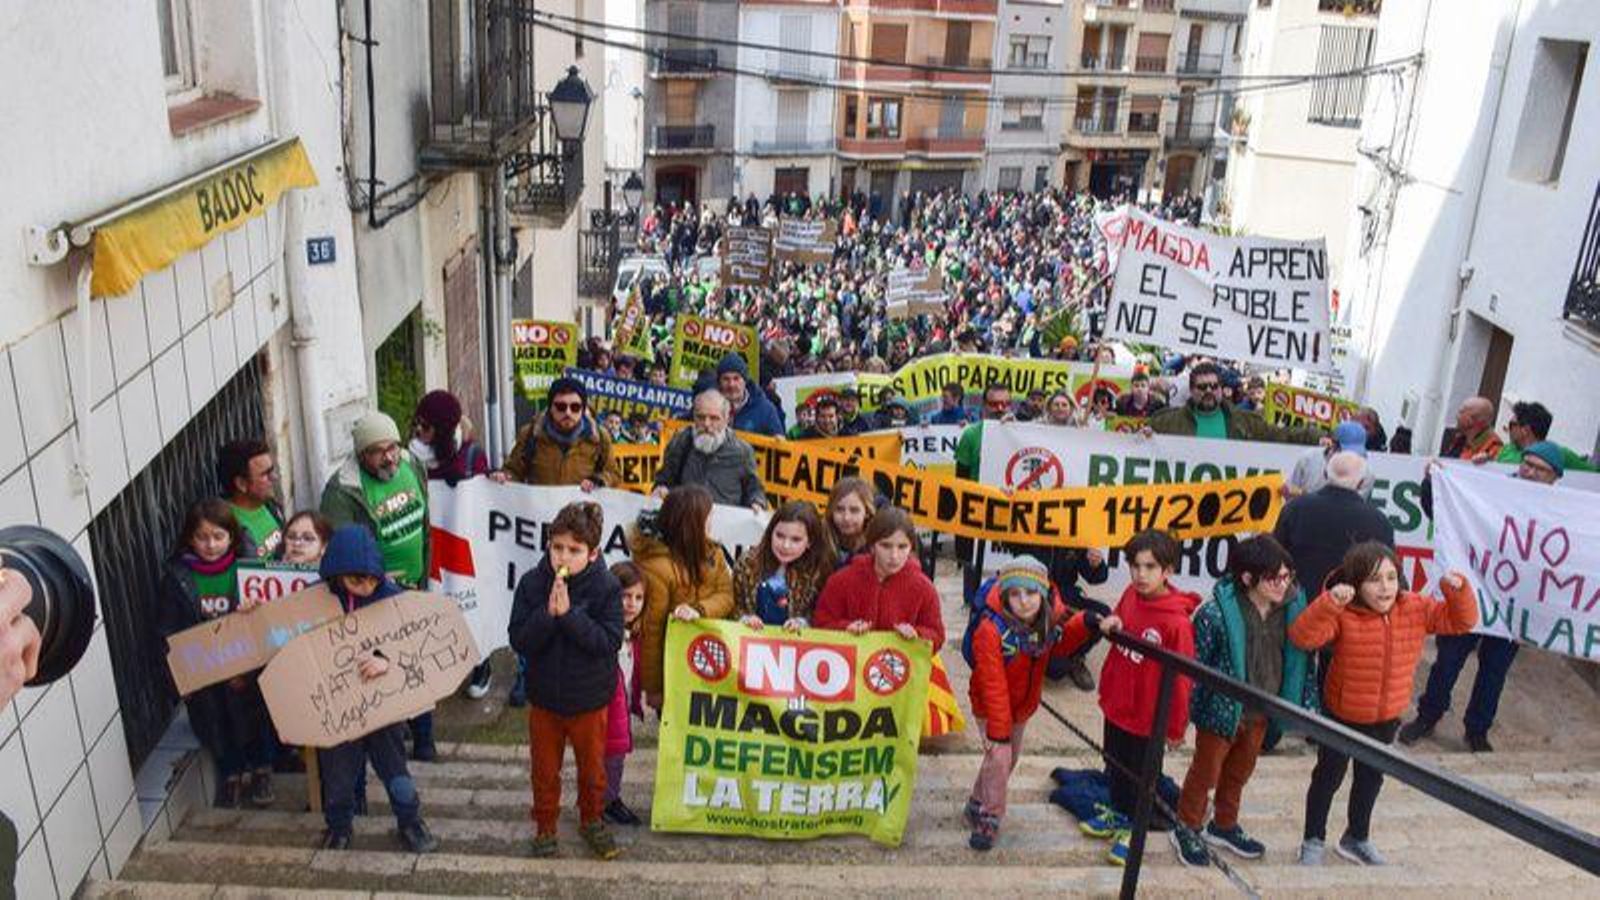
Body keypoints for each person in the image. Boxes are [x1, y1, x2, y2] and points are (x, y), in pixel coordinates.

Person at [1290, 542, 1477, 866]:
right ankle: (1313, 840)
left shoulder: (1415, 607)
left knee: (1371, 778)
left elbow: (1461, 622)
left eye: (1391, 577)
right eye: (1375, 580)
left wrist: (1456, 590)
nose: (1385, 587)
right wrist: (1329, 604)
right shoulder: (1343, 614)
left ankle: (1356, 838)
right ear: (1357, 583)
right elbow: (1302, 637)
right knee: (1327, 779)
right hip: (1342, 714)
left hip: (1387, 716)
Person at [1402, 441, 1567, 753]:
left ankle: (1477, 730)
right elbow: (1441, 509)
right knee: (1447, 662)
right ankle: (1427, 716)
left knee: (1494, 672)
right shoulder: (1491, 490)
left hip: (1512, 607)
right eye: (1526, 464)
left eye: (1539, 469)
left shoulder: (1560, 509)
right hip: (1472, 594)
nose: (1529, 472)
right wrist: (1431, 482)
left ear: (1554, 476)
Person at [1171, 536, 1319, 867]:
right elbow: (1194, 668)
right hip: (1220, 711)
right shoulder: (1214, 613)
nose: (1283, 584)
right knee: (1205, 772)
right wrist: (1182, 717)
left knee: (1240, 771)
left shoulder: (1294, 607)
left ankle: (1223, 824)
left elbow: (1304, 659)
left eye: (1287, 576)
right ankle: (1187, 825)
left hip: (1261, 712)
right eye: (1274, 577)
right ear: (1248, 578)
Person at [507, 502, 624, 860]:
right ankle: (545, 826)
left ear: (592, 554)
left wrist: (570, 617)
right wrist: (548, 616)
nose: (564, 556)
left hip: (589, 702)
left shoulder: (606, 587)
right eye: (557, 547)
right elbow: (519, 638)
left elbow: (609, 642)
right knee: (544, 771)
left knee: (592, 773)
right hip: (545, 701)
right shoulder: (531, 583)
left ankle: (592, 819)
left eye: (574, 550)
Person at [320, 410, 437, 761]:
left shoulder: (411, 464)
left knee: (419, 661)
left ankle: (424, 737)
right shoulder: (343, 491)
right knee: (384, 665)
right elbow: (343, 548)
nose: (389, 457)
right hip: (375, 596)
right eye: (378, 451)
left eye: (393, 447)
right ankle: (392, 739)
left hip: (415, 586)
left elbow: (426, 517)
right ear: (361, 454)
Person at [314, 526, 439, 853]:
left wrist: (387, 660)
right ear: (337, 575)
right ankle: (339, 826)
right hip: (340, 713)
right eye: (357, 581)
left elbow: (416, 643)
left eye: (372, 580)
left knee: (396, 772)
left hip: (384, 713)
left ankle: (411, 823)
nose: (366, 587)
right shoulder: (317, 602)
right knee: (338, 778)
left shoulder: (393, 598)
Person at [1080, 529, 1199, 868]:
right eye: (1135, 565)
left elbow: (1181, 681)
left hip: (1148, 718)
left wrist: (1175, 727)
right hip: (1117, 706)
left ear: (1168, 571)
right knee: (1114, 765)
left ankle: (1138, 826)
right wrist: (1115, 621)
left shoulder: (1176, 623)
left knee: (1143, 777)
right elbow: (1121, 618)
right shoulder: (1131, 595)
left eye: (1150, 567)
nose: (1141, 574)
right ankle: (1118, 813)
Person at [964, 556, 1096, 851]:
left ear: (1044, 593)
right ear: (1005, 595)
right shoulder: (990, 630)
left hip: (1022, 705)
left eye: (1031, 593)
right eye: (1015, 593)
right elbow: (992, 683)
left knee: (1007, 759)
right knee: (1000, 757)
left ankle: (976, 801)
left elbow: (1059, 645)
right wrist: (998, 732)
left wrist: (1085, 623)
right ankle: (990, 816)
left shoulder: (1044, 622)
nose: (1023, 601)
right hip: (989, 705)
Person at [156, 499, 274, 808]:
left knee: (254, 718)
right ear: (189, 539)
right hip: (205, 670)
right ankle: (231, 775)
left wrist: (245, 669)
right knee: (216, 723)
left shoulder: (248, 571)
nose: (210, 545)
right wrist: (184, 677)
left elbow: (266, 622)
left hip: (244, 664)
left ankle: (262, 770)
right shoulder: (178, 577)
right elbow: (169, 629)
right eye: (202, 537)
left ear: (232, 537)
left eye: (218, 537)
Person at [634, 486, 735, 711]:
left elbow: (726, 596)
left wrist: (700, 609)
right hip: (675, 668)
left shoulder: (713, 554)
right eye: (708, 519)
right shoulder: (657, 568)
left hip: (709, 661)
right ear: (692, 524)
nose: (711, 524)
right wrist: (654, 688)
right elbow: (652, 632)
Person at [813, 507, 945, 648]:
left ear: (911, 547)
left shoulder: (924, 588)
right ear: (872, 546)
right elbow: (820, 624)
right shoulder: (841, 581)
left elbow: (937, 635)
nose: (894, 555)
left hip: (899, 666)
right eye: (885, 546)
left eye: (902, 547)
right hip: (851, 665)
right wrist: (846, 628)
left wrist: (917, 634)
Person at [1273, 453, 1395, 605]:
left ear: (1325, 474)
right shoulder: (1380, 522)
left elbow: (1274, 559)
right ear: (1361, 483)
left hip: (1297, 608)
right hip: (1352, 613)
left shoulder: (1294, 509)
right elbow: (1390, 574)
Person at [1147, 363, 1320, 444]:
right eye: (1202, 387)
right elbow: (1138, 441)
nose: (1209, 391)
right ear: (1191, 390)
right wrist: (1142, 438)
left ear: (1221, 389)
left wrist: (1320, 437)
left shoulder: (1244, 421)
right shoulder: (1167, 422)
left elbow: (1283, 435)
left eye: (1214, 386)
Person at [497, 377, 621, 490]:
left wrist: (597, 481)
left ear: (583, 409)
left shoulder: (600, 438)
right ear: (551, 407)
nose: (568, 413)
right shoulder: (530, 434)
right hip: (539, 512)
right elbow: (513, 471)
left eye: (575, 407)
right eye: (561, 407)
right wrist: (503, 477)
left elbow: (613, 474)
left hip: (581, 512)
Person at [652, 390, 768, 511]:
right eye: (701, 417)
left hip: (726, 525)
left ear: (726, 419)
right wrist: (661, 490)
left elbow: (754, 488)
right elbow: (664, 479)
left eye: (714, 418)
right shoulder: (680, 442)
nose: (707, 424)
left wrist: (757, 502)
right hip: (686, 522)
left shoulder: (742, 451)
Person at [734, 502, 836, 631]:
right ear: (771, 532)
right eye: (780, 536)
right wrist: (745, 619)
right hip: (750, 643)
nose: (785, 545)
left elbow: (820, 614)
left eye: (796, 540)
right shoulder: (747, 564)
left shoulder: (818, 572)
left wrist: (803, 623)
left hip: (796, 646)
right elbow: (735, 607)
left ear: (810, 541)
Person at [603, 561, 646, 827]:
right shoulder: (608, 634)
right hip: (604, 711)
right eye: (625, 596)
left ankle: (610, 798)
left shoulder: (633, 634)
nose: (632, 604)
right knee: (607, 759)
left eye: (639, 597)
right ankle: (603, 804)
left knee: (615, 760)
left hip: (621, 708)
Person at [1043, 547, 1110, 691]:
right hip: (1034, 592)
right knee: (1055, 670)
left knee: (1102, 615)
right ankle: (1035, 657)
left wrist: (1096, 564)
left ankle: (1076, 657)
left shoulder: (1076, 533)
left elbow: (1095, 577)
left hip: (1068, 595)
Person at [217, 438, 285, 558]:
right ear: (241, 484)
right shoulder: (227, 529)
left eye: (272, 471)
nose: (274, 477)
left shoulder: (270, 506)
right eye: (265, 474)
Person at [410, 390, 489, 487]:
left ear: (441, 431)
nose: (418, 429)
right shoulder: (409, 458)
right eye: (416, 422)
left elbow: (483, 492)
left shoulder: (471, 456)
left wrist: (494, 476)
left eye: (425, 426)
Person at [1492, 400, 1594, 472]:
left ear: (1525, 430)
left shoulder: (1559, 454)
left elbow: (1593, 477)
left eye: (1511, 425)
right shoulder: (1507, 449)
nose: (1506, 427)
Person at [1285, 422, 1375, 499]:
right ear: (1333, 444)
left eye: (1356, 452)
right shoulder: (1308, 458)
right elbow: (1292, 489)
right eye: (1347, 451)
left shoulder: (1366, 474)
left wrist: (1304, 494)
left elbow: (1351, 506)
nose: (1351, 456)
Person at [716, 352, 785, 437]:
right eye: (726, 379)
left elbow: (780, 445)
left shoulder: (766, 410)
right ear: (719, 382)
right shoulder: (707, 406)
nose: (731, 384)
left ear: (745, 381)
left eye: (736, 378)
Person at [825, 477, 877, 566]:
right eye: (839, 509)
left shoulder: (875, 547)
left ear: (867, 512)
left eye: (854, 510)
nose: (846, 518)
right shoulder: (821, 539)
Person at [1440, 396, 1503, 460]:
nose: (1457, 416)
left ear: (1471, 420)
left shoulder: (1493, 448)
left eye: (1461, 412)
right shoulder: (1458, 439)